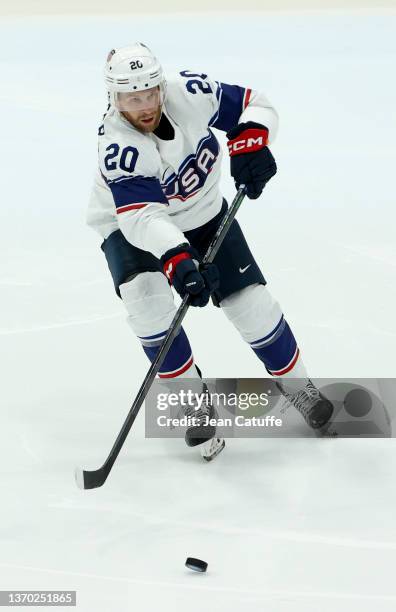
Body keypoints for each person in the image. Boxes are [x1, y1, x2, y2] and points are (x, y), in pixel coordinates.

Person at [87, 42, 333, 461]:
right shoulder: (119, 145)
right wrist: (177, 257)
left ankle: (299, 388)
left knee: (250, 303)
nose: (144, 106)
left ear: (161, 86)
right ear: (114, 98)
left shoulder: (189, 92)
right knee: (148, 306)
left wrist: (252, 141)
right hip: (131, 229)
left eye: (150, 93)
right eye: (132, 98)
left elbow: (255, 104)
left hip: (203, 214)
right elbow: (142, 218)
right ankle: (193, 403)